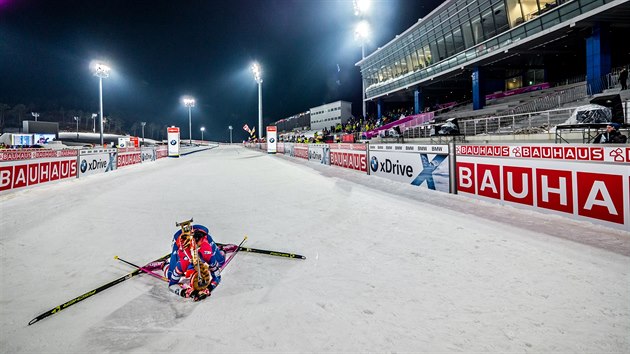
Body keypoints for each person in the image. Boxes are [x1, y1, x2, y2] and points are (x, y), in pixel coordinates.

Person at [162, 223, 238, 301]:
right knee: (170, 275)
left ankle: (221, 250)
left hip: (201, 236)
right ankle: (163, 264)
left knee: (220, 262)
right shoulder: (184, 261)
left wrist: (207, 289)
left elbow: (217, 276)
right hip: (179, 240)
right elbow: (171, 284)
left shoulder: (206, 251)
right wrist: (188, 292)